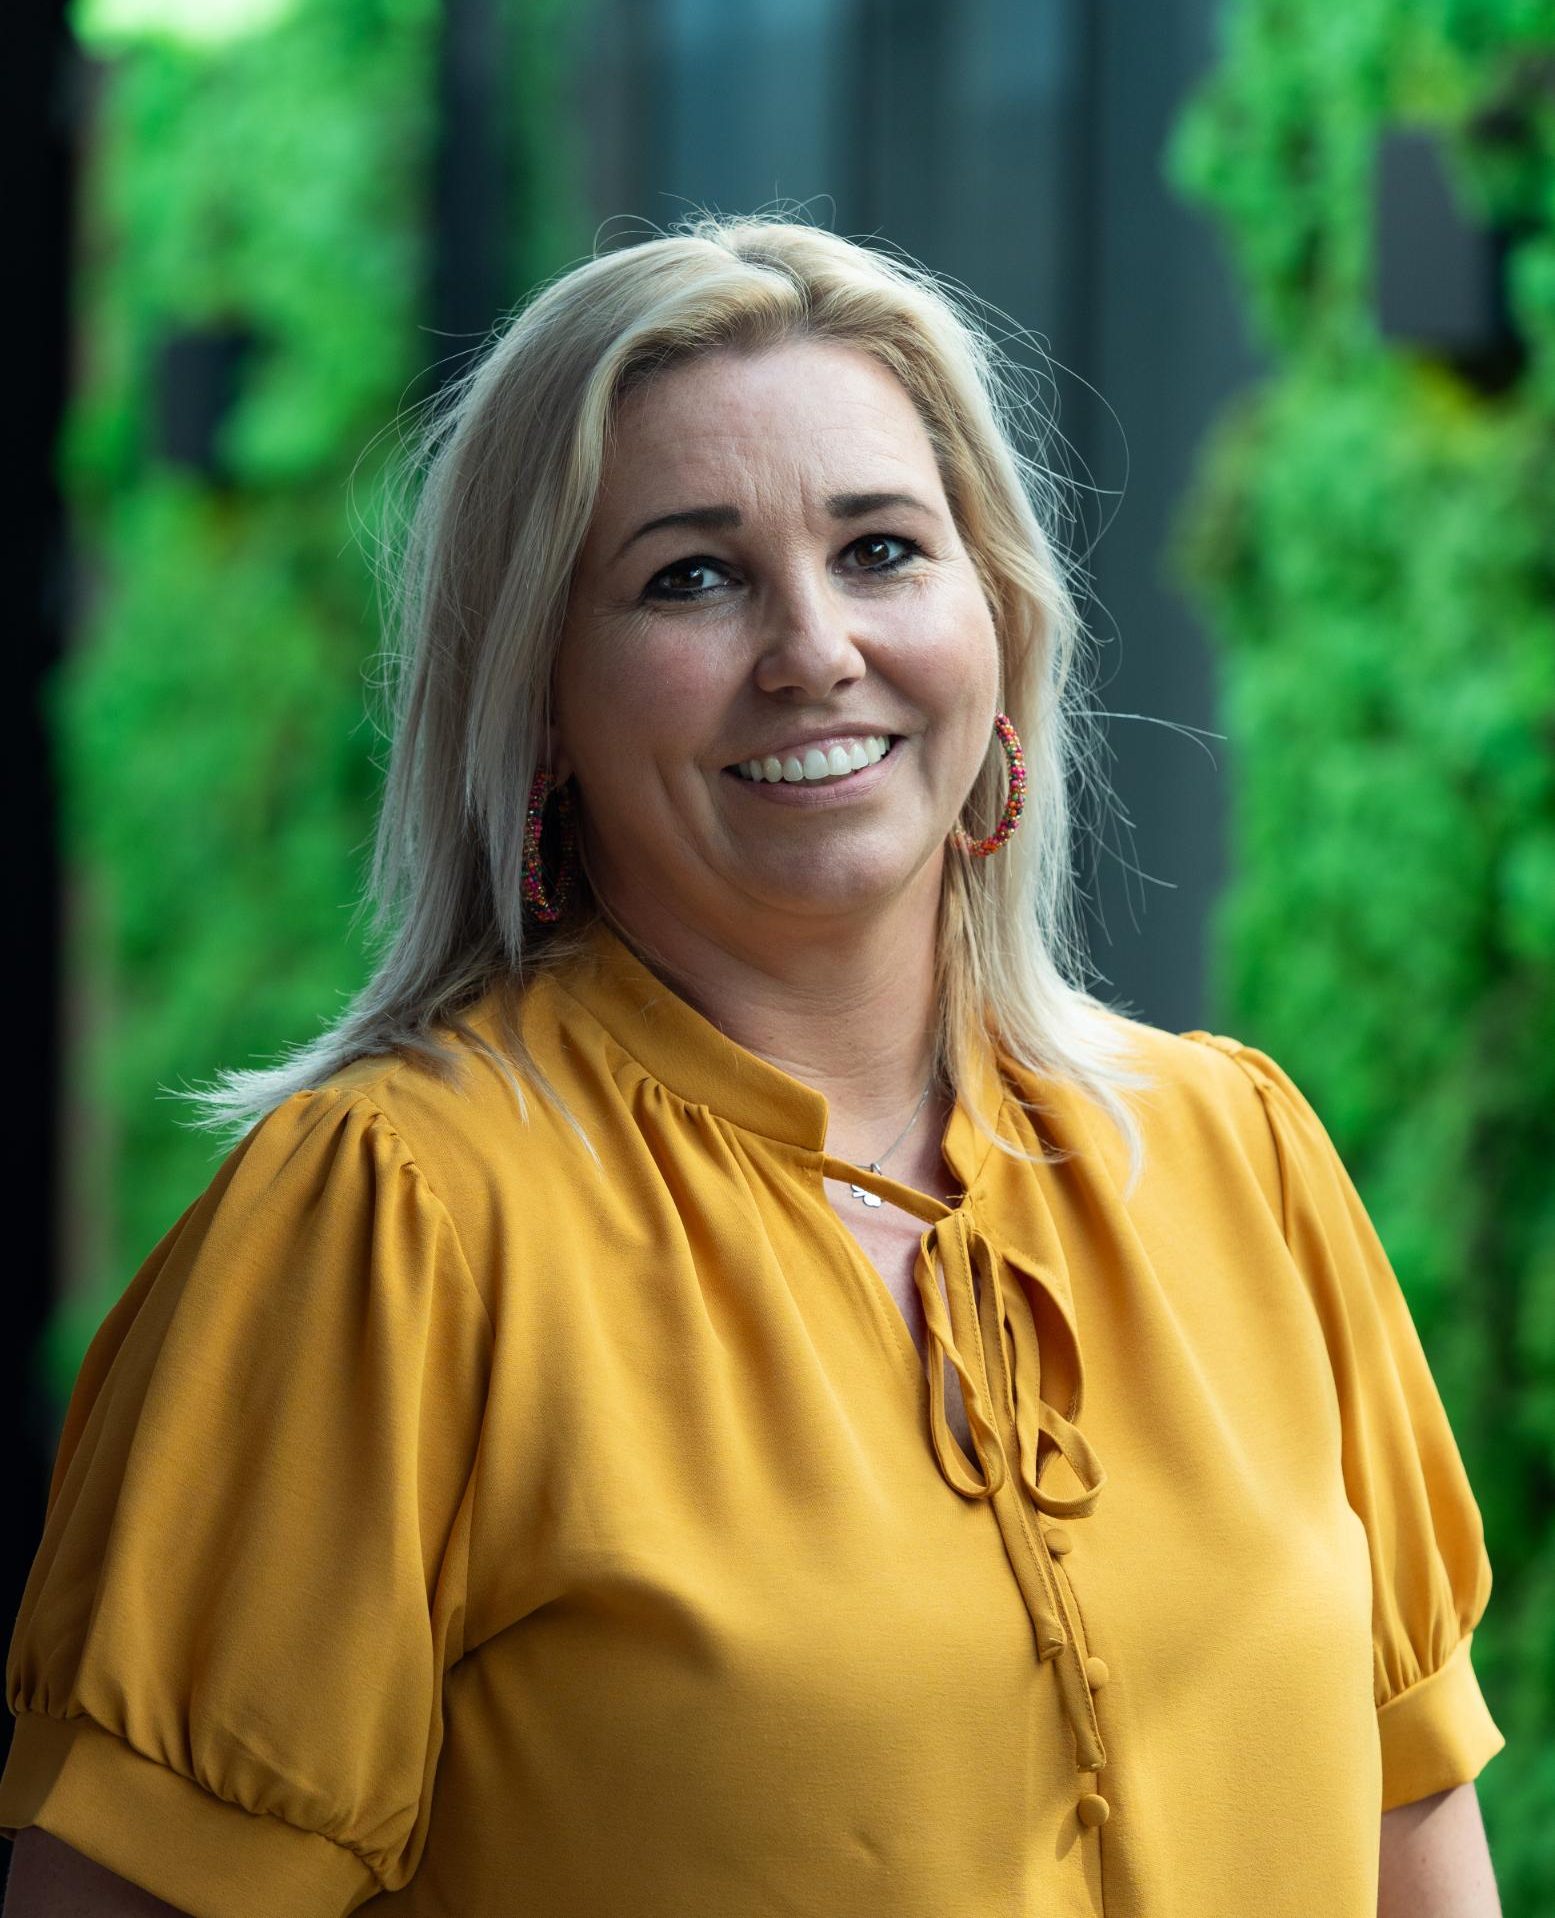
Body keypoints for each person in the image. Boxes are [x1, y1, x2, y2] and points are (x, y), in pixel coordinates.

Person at [0, 216, 1504, 1918]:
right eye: (689, 577)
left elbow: (1418, 1860)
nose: (813, 650)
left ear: (997, 623)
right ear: (540, 701)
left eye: (879, 550)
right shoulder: (392, 1225)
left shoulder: (1238, 1154)